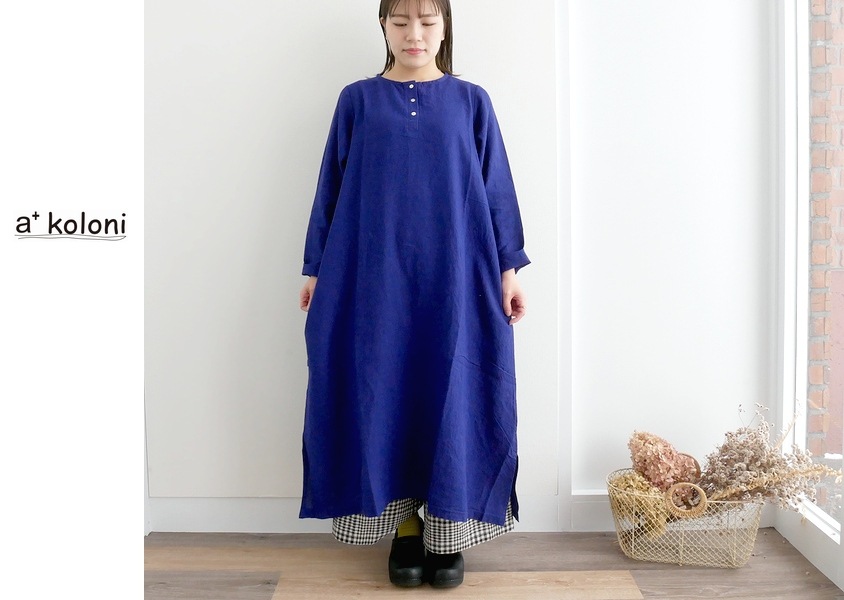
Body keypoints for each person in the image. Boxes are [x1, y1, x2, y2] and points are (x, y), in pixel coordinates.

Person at [297, 0, 529, 589]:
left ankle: (448, 533)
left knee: (454, 391)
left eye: (426, 21)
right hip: (372, 276)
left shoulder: (471, 101)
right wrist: (316, 269)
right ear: (383, 26)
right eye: (400, 22)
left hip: (457, 276)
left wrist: (509, 268)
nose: (414, 34)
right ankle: (403, 529)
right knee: (382, 390)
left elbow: (497, 188)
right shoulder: (357, 100)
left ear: (445, 26)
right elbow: (331, 187)